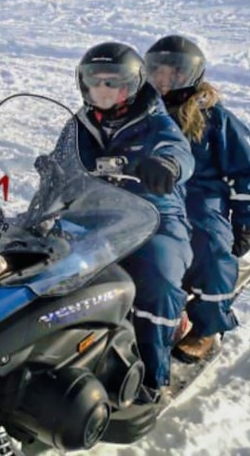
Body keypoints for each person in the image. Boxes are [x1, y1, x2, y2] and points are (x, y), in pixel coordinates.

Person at [69, 41, 195, 398]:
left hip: (154, 214)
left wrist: (167, 165)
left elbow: (177, 149)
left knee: (158, 276)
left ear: (132, 85)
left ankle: (153, 377)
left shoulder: (154, 120)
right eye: (97, 82)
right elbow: (65, 160)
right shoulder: (81, 123)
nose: (104, 90)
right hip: (96, 212)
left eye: (114, 82)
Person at [145, 35, 250, 362]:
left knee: (209, 248)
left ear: (191, 76)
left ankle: (208, 326)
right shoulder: (140, 110)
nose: (165, 81)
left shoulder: (214, 118)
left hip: (200, 198)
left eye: (175, 74)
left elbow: (247, 174)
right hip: (148, 194)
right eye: (159, 73)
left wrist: (246, 223)